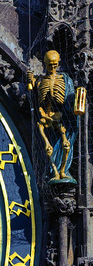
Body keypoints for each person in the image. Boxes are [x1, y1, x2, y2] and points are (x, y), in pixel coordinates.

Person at [27, 50, 82, 184]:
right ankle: (54, 172)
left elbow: (69, 98)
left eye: (55, 65)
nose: (53, 67)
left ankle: (63, 170)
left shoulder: (65, 79)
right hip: (45, 118)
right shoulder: (41, 81)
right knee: (48, 147)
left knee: (65, 143)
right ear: (45, 64)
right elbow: (36, 101)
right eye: (50, 65)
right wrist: (31, 84)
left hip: (61, 117)